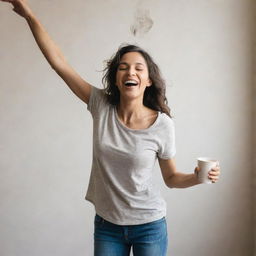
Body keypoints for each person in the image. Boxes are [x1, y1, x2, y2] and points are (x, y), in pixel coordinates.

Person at [1, 1, 221, 256]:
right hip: (107, 225)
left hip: (149, 225)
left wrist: (198, 177)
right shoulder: (101, 105)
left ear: (148, 81)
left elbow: (171, 179)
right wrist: (29, 15)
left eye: (139, 68)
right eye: (123, 67)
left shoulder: (162, 125)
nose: (131, 71)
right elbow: (59, 63)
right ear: (117, 78)